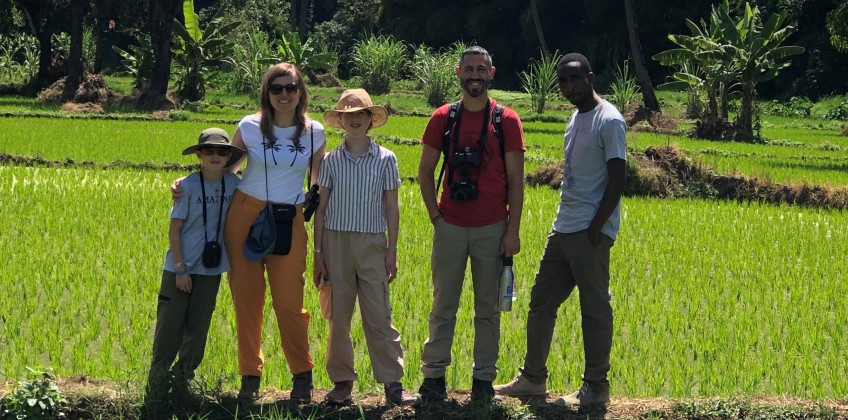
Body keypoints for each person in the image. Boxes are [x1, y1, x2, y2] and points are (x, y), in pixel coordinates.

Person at [172, 63, 326, 402]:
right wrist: (187, 184)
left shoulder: (315, 131)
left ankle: (302, 375)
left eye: (291, 87)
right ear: (267, 92)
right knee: (247, 302)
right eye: (277, 88)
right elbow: (227, 168)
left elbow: (319, 182)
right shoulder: (249, 126)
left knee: (289, 304)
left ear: (301, 92)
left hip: (289, 219)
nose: (284, 94)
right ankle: (249, 377)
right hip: (245, 215)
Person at [493, 53, 626, 407]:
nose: (569, 87)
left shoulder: (608, 120)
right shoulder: (574, 119)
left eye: (575, 79)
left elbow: (617, 178)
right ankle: (533, 378)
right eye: (563, 82)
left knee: (594, 308)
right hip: (564, 227)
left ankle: (596, 386)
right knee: (541, 302)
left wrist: (596, 229)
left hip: (588, 232)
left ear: (591, 77)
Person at [416, 45, 525, 402]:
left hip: (493, 228)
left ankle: (483, 381)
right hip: (450, 226)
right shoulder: (443, 117)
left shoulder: (506, 120)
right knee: (443, 305)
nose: (475, 75)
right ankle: (433, 377)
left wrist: (512, 231)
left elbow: (516, 178)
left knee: (488, 310)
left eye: (481, 69)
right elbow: (424, 173)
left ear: (491, 73)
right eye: (469, 69)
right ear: (458, 73)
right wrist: (436, 217)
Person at [312, 89, 417, 407]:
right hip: (335, 241)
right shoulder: (330, 160)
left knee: (378, 313)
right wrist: (318, 254)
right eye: (348, 114)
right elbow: (322, 206)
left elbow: (392, 208)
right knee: (338, 315)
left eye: (361, 114)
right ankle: (342, 382)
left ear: (371, 119)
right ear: (340, 120)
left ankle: (393, 384)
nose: (354, 119)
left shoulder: (386, 159)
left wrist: (393, 249)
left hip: (373, 242)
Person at [146, 128, 244, 404]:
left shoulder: (235, 185)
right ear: (199, 154)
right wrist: (180, 269)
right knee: (169, 330)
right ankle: (156, 388)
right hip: (180, 269)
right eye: (209, 150)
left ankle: (181, 385)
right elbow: (174, 230)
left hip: (211, 271)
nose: (215, 156)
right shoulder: (186, 186)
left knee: (198, 331)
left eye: (222, 151)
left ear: (229, 156)